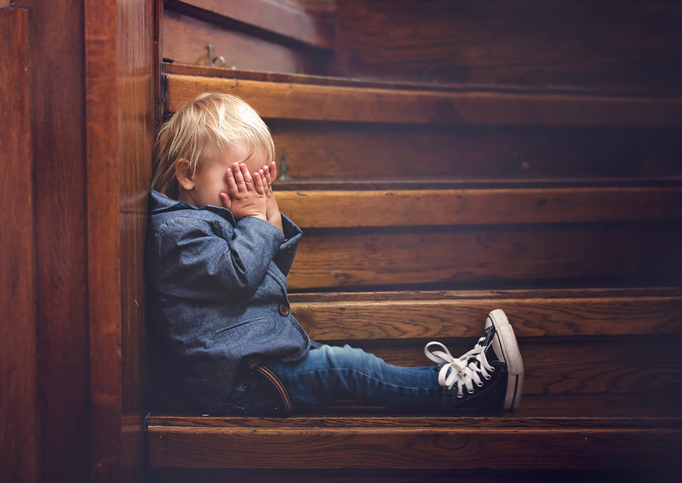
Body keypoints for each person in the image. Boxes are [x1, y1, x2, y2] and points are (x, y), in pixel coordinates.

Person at [146, 92, 524, 416]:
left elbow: (259, 277)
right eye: (241, 178)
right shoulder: (177, 233)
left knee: (347, 363)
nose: (252, 193)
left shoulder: (219, 220)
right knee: (350, 367)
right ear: (187, 174)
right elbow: (239, 275)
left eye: (261, 181)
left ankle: (456, 386)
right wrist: (255, 223)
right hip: (237, 386)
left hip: (255, 365)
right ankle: (459, 391)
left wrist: (270, 223)